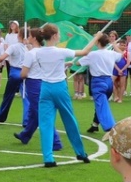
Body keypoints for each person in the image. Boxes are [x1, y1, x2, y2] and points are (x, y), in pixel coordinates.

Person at [22, 23, 93, 167]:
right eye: (59, 34)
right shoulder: (61, 52)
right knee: (69, 120)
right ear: (54, 36)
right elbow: (85, 52)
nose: (60, 36)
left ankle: (48, 158)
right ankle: (80, 152)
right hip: (59, 88)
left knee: (46, 124)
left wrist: (64, 65)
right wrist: (96, 38)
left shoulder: (38, 52)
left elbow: (48, 62)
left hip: (45, 88)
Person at [82, 33, 121, 135]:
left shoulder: (93, 54)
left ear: (97, 42)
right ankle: (95, 125)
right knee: (101, 103)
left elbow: (79, 62)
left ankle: (110, 128)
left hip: (98, 82)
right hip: (109, 82)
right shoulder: (111, 53)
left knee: (101, 105)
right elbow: (121, 55)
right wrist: (114, 45)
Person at [0, 31, 28, 125]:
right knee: (25, 97)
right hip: (24, 72)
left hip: (15, 72)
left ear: (19, 36)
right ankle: (26, 121)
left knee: (8, 96)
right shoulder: (27, 48)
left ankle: (0, 117)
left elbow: (2, 57)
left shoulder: (13, 46)